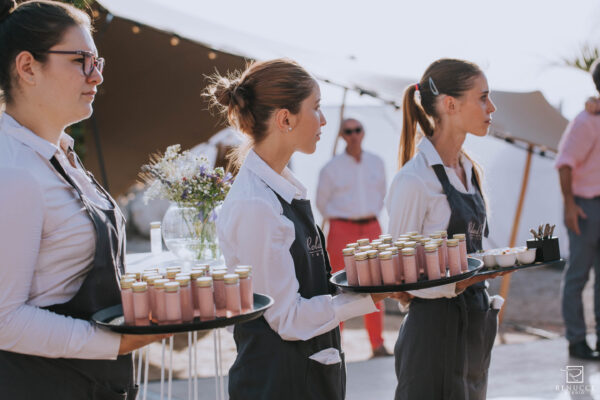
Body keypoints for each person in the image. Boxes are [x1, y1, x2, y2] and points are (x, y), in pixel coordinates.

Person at [0, 1, 165, 398]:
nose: (96, 76)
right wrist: (116, 343)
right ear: (27, 67)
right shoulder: (14, 171)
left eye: (98, 61)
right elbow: (4, 320)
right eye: (80, 60)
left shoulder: (61, 153)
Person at [209, 59, 388, 399]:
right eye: (316, 108)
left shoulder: (281, 189)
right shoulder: (256, 205)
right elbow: (287, 318)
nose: (323, 120)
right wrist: (369, 297)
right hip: (279, 383)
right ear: (285, 118)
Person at [386, 58, 502, 399]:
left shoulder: (470, 170)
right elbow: (397, 274)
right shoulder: (414, 179)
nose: (491, 107)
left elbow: (473, 249)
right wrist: (455, 284)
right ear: (450, 104)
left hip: (474, 325)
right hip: (433, 333)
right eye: (482, 97)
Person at [316, 118, 389, 357]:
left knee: (376, 286)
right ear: (341, 135)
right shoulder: (331, 168)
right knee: (339, 287)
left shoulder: (377, 162)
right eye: (348, 131)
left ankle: (377, 344)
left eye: (357, 130)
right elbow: (321, 202)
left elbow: (382, 193)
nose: (353, 135)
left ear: (363, 132)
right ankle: (336, 345)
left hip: (371, 227)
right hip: (341, 229)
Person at [556, 58, 600, 360]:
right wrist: (570, 205)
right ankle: (576, 341)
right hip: (585, 207)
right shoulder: (585, 121)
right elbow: (564, 164)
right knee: (577, 277)